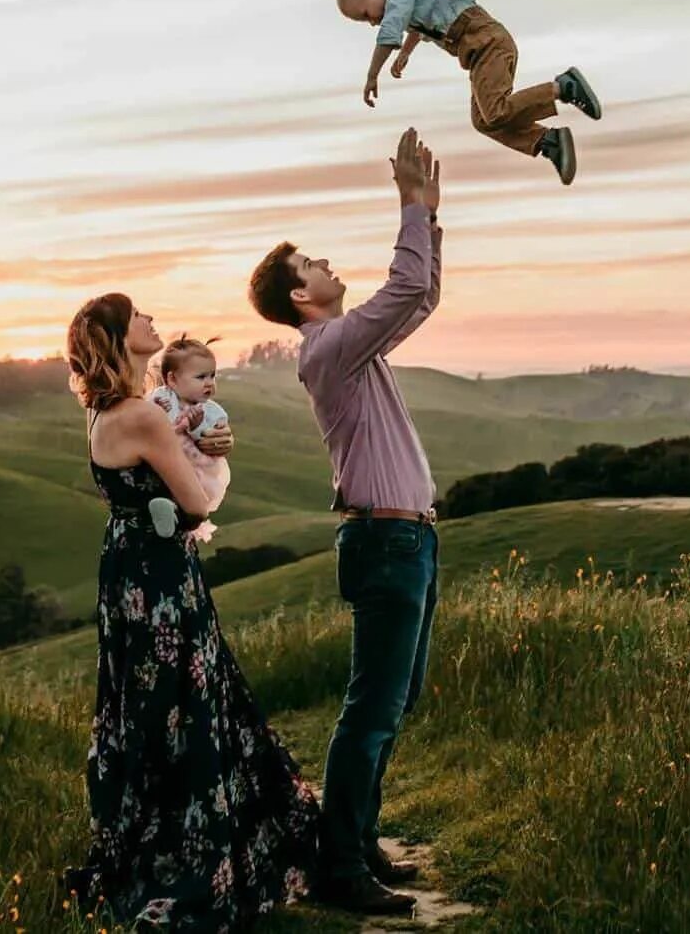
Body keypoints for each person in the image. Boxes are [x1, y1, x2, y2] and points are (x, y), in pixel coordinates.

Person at [61, 294, 319, 931]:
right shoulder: (141, 415)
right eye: (139, 316)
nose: (152, 319)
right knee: (187, 699)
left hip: (126, 571)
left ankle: (149, 837)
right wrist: (216, 455)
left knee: (145, 704)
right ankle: (194, 852)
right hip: (161, 576)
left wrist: (204, 434)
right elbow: (198, 504)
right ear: (122, 339)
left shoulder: (105, 412)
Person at [245, 127, 443, 916]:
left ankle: (357, 843)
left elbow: (420, 295)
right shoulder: (327, 347)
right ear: (302, 297)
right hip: (385, 541)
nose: (328, 266)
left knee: (395, 698)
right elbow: (401, 293)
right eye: (313, 265)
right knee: (371, 705)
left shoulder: (352, 347)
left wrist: (428, 212)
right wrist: (407, 207)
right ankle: (340, 867)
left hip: (409, 538)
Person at [335, 0, 601, 185]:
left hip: (484, 41)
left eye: (366, 14)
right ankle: (548, 141)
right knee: (484, 120)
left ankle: (563, 87)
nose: (371, 22)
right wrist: (406, 52)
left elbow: (389, 33)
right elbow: (414, 27)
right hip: (478, 51)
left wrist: (372, 75)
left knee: (495, 110)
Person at [149, 333, 232, 543]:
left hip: (199, 466)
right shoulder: (161, 397)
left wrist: (196, 428)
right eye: (201, 377)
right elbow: (149, 420)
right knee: (165, 482)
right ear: (172, 379)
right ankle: (166, 510)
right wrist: (158, 410)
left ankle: (177, 517)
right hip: (166, 458)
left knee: (194, 492)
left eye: (212, 376)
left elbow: (213, 440)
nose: (209, 383)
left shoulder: (213, 411)